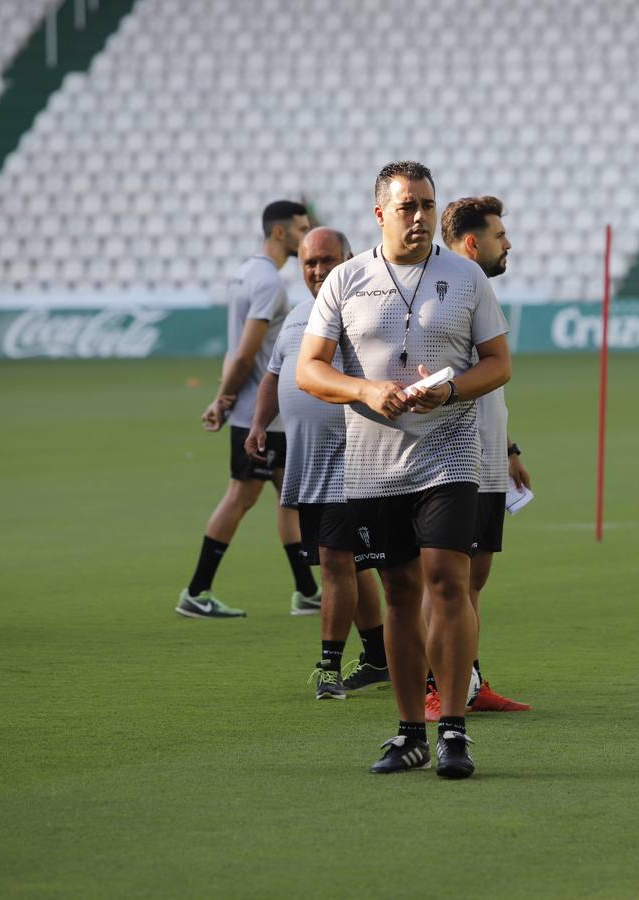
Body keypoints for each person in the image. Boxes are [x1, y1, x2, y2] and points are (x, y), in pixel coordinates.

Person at [297, 161, 511, 778]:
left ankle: (453, 729)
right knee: (398, 593)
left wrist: (451, 392)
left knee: (447, 577)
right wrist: (364, 391)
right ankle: (408, 730)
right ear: (380, 213)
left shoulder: (466, 276)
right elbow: (310, 368)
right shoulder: (346, 279)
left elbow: (498, 363)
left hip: (449, 449)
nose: (419, 217)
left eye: (426, 205)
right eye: (407, 206)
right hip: (373, 463)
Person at [246, 227, 388, 699]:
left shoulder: (367, 312)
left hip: (353, 463)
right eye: (309, 263)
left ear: (349, 259)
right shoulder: (296, 318)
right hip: (306, 461)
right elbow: (274, 375)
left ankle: (328, 668)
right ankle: (379, 657)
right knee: (352, 564)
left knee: (335, 562)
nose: (319, 270)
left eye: (328, 260)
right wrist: (259, 424)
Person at [175, 200, 317, 619]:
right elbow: (247, 352)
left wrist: (224, 396)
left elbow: (235, 351)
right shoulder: (270, 285)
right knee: (241, 496)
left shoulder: (244, 274)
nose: (306, 236)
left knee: (289, 498)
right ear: (279, 232)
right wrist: (223, 398)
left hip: (261, 412)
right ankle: (197, 591)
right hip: (261, 415)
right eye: (301, 228)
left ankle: (307, 590)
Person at [426, 195, 531, 718]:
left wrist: (509, 448)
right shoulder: (446, 290)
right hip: (453, 458)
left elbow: (489, 379)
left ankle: (467, 681)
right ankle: (433, 686)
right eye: (498, 234)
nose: (507, 242)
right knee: (446, 578)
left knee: (475, 579)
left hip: (489, 456)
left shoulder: (479, 290)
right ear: (472, 242)